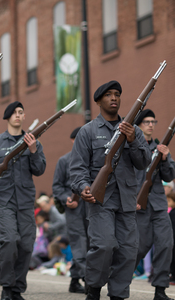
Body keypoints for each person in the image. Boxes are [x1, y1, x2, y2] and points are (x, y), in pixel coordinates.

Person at [69, 80, 151, 300]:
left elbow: (143, 162)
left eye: (117, 94)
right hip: (100, 200)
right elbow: (77, 169)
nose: (114, 98)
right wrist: (84, 187)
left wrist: (133, 140)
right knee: (104, 245)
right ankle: (94, 289)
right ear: (98, 101)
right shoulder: (87, 132)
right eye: (108, 95)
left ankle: (118, 295)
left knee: (128, 251)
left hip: (126, 200)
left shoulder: (133, 131)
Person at [0, 101, 46, 300]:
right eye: (14, 113)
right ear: (7, 117)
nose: (18, 115)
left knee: (26, 245)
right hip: (4, 200)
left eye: (21, 112)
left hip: (25, 201)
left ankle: (17, 289)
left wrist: (33, 150)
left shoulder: (33, 142)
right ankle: (7, 287)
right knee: (9, 241)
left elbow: (40, 169)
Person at [133, 109, 175, 300]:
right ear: (139, 125)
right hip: (138, 205)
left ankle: (160, 289)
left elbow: (169, 176)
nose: (151, 125)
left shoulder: (161, 148)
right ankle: (119, 279)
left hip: (158, 204)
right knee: (139, 248)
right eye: (147, 122)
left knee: (166, 244)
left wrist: (165, 159)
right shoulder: (130, 146)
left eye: (153, 121)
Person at [52, 126, 88, 294]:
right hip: (73, 208)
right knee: (79, 242)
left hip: (90, 206)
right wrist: (66, 198)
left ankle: (74, 280)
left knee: (89, 242)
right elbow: (57, 186)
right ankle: (89, 278)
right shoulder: (64, 161)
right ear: (73, 140)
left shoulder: (91, 159)